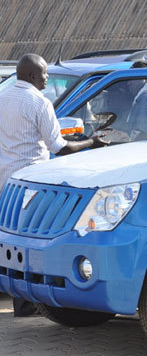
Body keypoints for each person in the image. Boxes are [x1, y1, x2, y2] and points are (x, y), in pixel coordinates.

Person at [0, 53, 109, 317]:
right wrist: (91, 143)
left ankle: (20, 302)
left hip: (6, 180)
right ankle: (27, 303)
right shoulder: (39, 102)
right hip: (34, 183)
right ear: (33, 76)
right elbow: (58, 147)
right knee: (30, 244)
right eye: (45, 74)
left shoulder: (3, 98)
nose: (47, 78)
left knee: (10, 241)